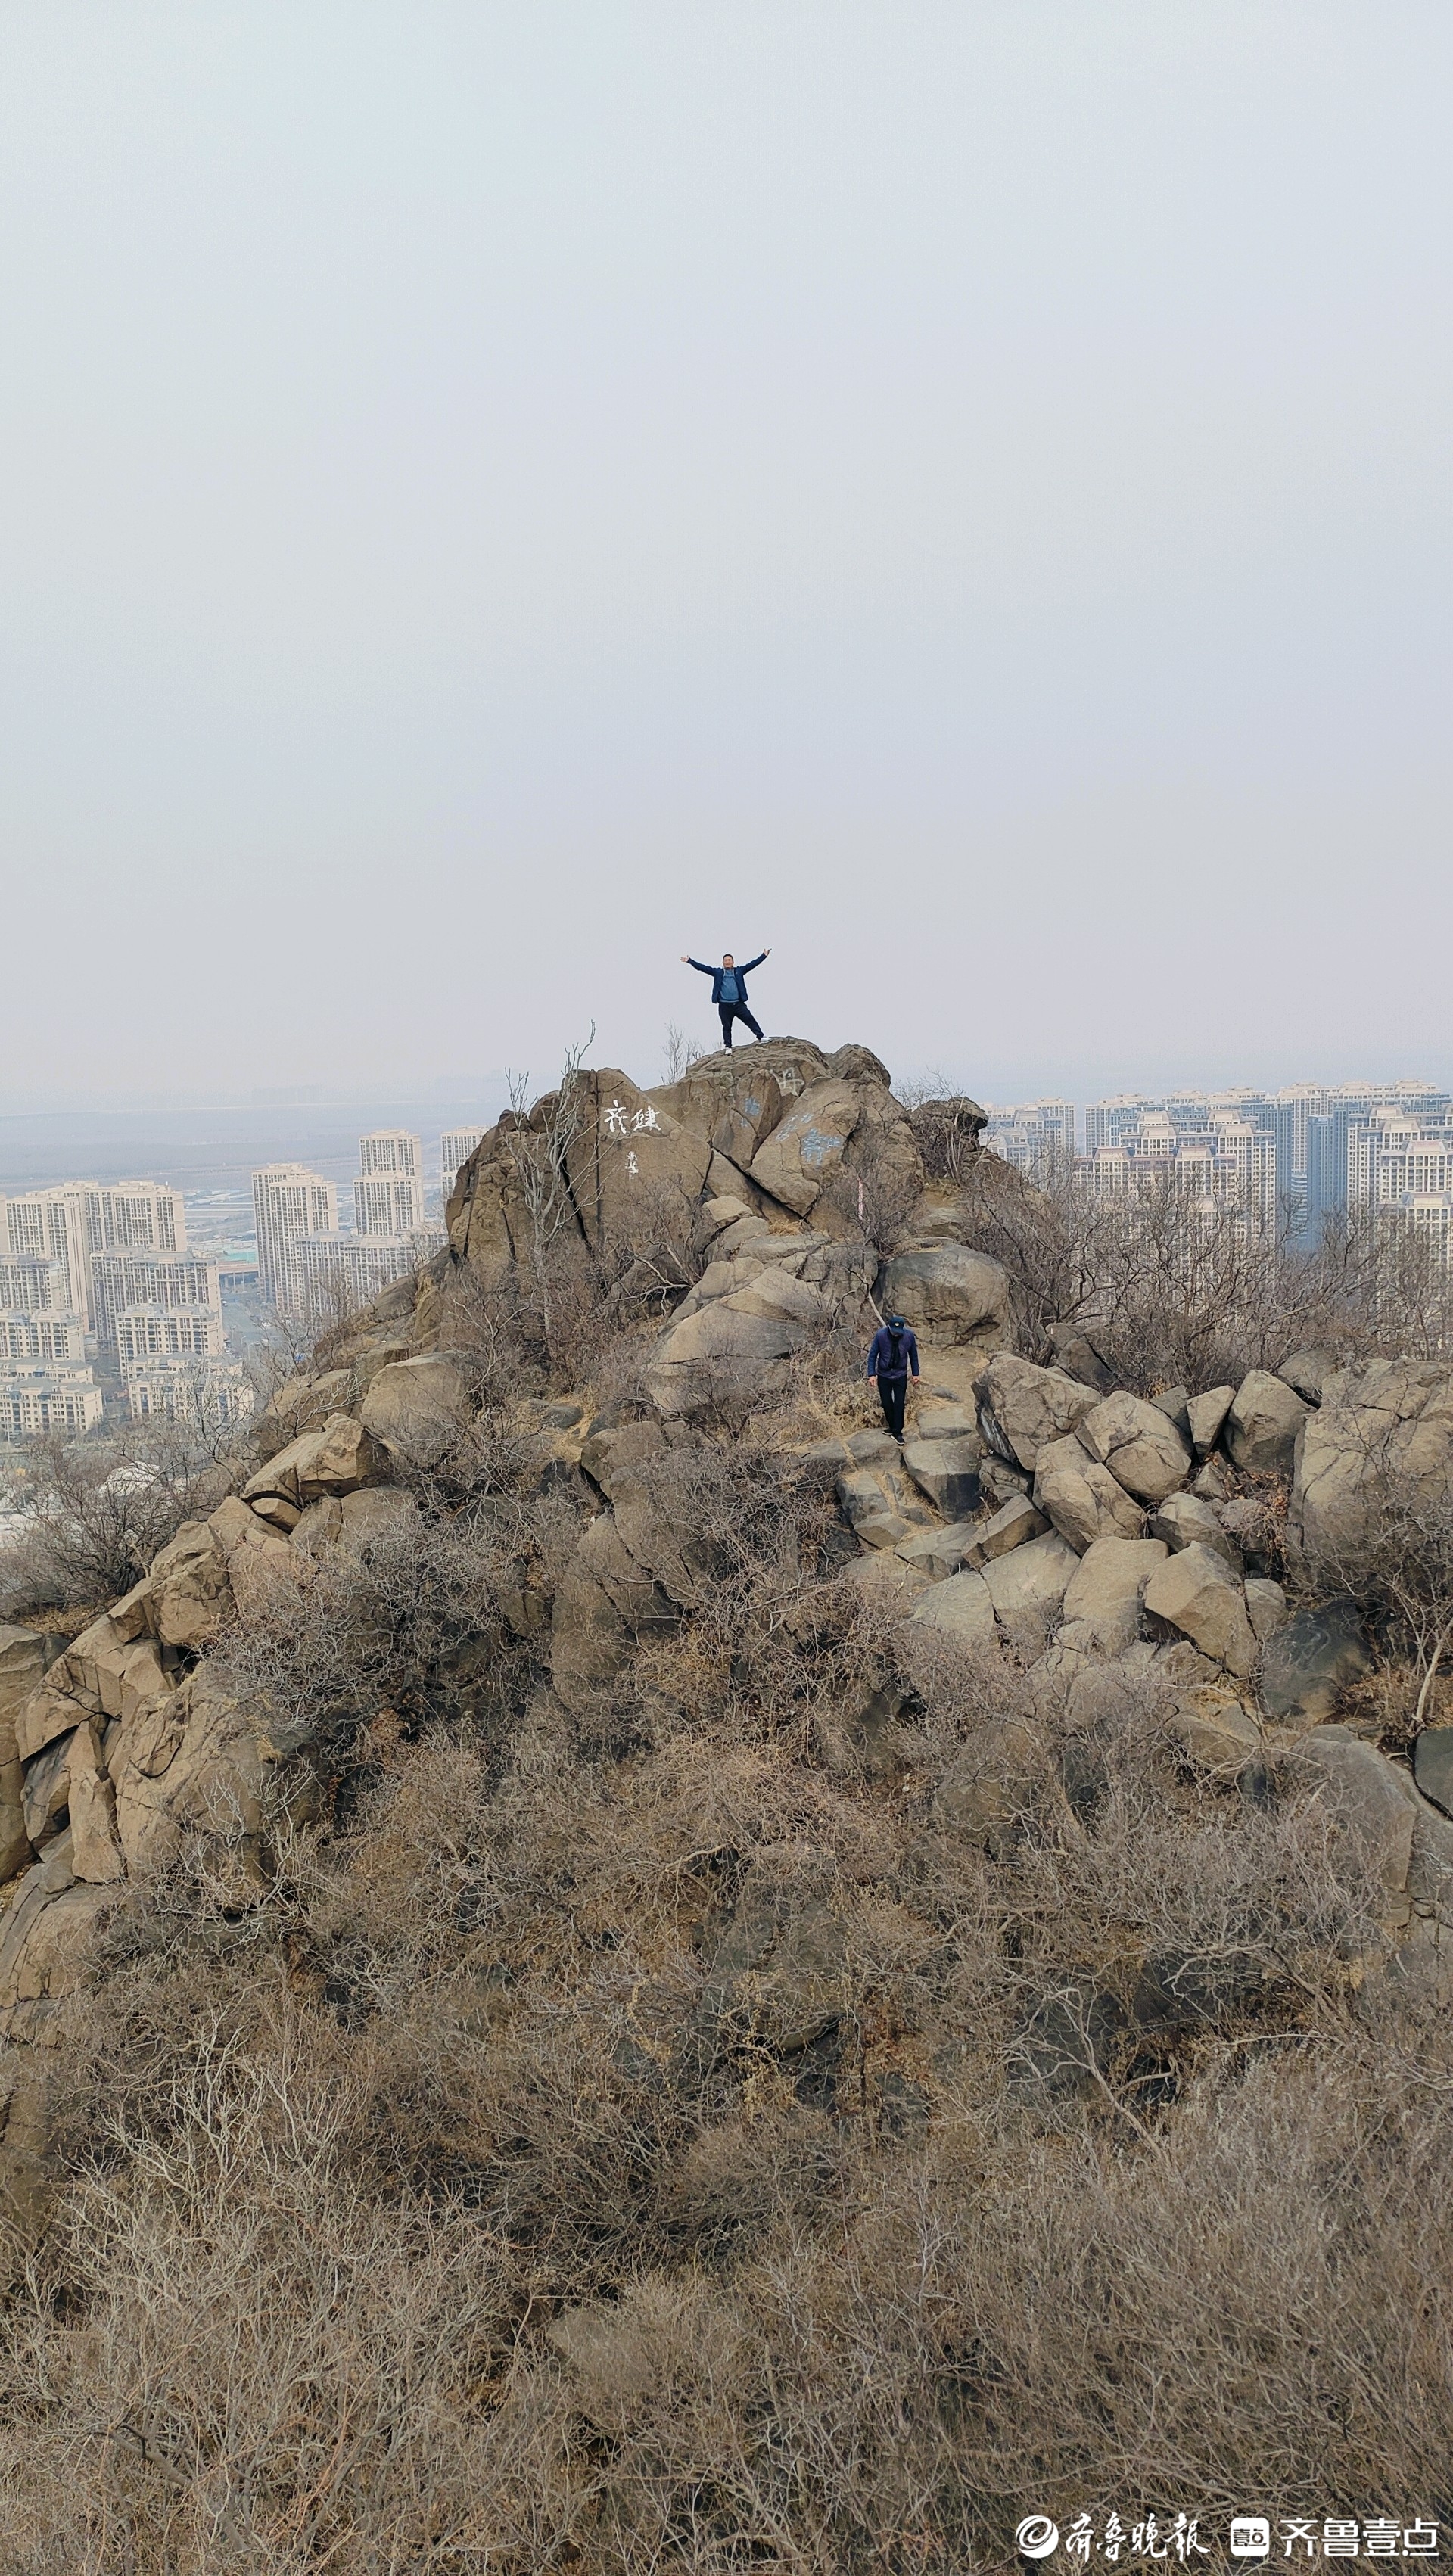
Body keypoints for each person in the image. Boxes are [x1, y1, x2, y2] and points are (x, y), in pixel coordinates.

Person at [680, 947, 770, 1047]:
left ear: (733, 962)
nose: (727, 962)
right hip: (724, 1006)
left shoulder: (739, 971)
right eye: (726, 960)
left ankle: (761, 1037)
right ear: (723, 963)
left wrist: (764, 955)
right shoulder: (718, 972)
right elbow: (703, 968)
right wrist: (690, 961)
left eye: (729, 960)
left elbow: (753, 964)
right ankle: (728, 1047)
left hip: (738, 1004)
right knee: (727, 1026)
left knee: (750, 1019)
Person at [866, 1310, 919, 1442]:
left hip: (900, 1374)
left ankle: (897, 1432)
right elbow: (872, 1355)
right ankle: (892, 1426)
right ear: (889, 1327)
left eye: (898, 1331)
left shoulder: (909, 1336)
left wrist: (915, 1373)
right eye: (894, 1331)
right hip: (883, 1374)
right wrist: (871, 1374)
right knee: (886, 1403)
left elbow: (913, 1355)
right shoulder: (880, 1335)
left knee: (899, 1403)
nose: (896, 1334)